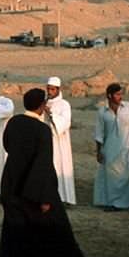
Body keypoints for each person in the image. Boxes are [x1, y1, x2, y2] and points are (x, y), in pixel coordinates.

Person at [0, 88, 85, 257]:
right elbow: (43, 163)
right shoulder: (43, 130)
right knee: (47, 223)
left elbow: (7, 145)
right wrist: (44, 197)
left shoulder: (14, 122)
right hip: (33, 185)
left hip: (11, 181)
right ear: (41, 106)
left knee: (13, 226)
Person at [93, 82, 129, 212]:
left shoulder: (128, 107)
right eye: (117, 94)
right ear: (109, 96)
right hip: (110, 150)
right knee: (112, 177)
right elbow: (99, 133)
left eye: (121, 94)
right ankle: (113, 203)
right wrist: (99, 151)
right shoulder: (102, 112)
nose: (120, 96)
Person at [45, 76, 76, 205]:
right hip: (46, 142)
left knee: (61, 168)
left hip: (60, 143)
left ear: (58, 89)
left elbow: (65, 123)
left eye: (52, 89)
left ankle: (64, 198)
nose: (50, 92)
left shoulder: (64, 105)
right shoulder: (44, 102)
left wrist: (51, 113)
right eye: (48, 89)